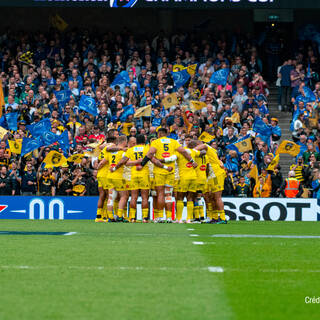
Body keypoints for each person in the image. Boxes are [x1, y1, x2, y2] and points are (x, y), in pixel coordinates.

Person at [141, 128, 196, 223]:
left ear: (159, 134)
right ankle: (169, 217)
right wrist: (192, 161)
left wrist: (142, 163)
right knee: (168, 194)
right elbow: (183, 151)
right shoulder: (173, 142)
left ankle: (160, 217)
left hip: (159, 171)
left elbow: (150, 154)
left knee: (160, 194)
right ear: (166, 134)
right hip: (171, 172)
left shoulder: (156, 142)